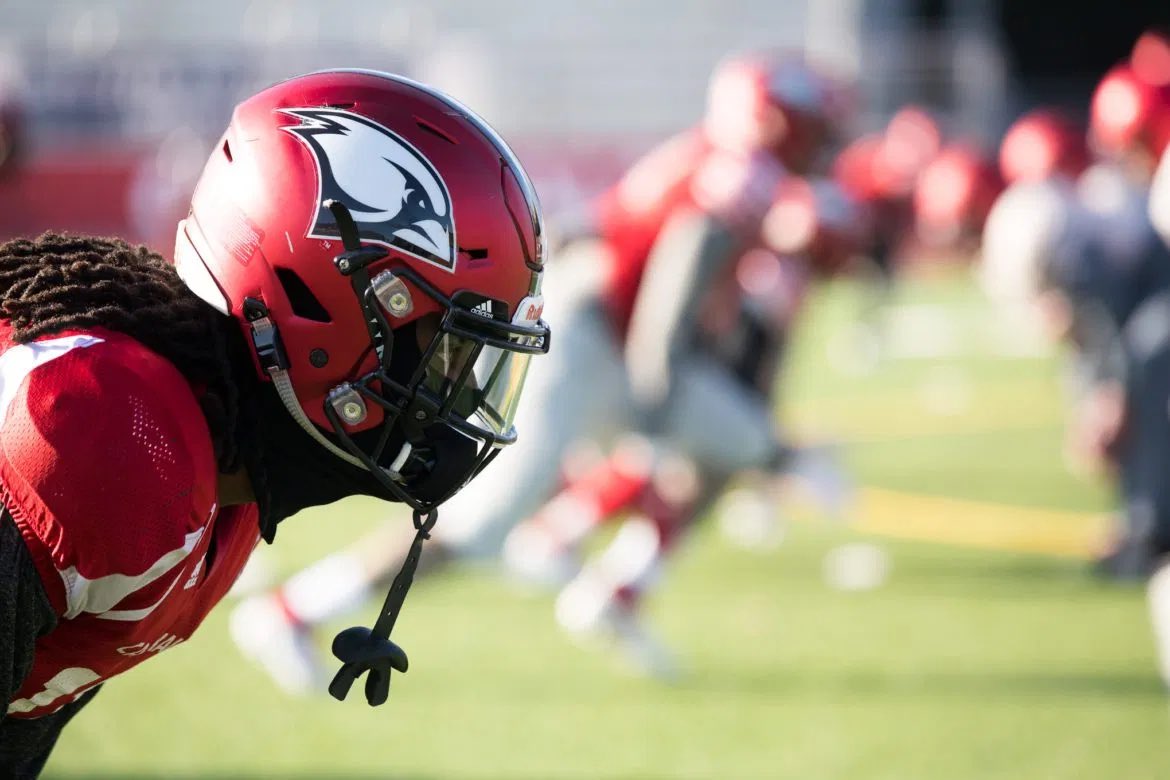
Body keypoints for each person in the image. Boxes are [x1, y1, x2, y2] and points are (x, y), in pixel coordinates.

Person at [229, 51, 853, 685]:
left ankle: (618, 588)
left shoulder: (705, 156)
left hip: (606, 330)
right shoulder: (741, 172)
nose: (825, 146)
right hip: (601, 342)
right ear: (780, 123)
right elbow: (680, 273)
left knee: (742, 445)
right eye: (816, 128)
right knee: (481, 529)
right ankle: (292, 611)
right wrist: (657, 385)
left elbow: (596, 229)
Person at [0, 68, 549, 776]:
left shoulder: (229, 486)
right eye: (440, 352)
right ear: (325, 303)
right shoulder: (111, 433)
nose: (446, 396)